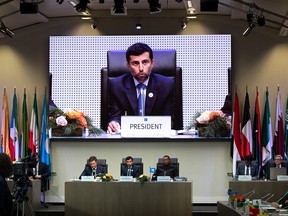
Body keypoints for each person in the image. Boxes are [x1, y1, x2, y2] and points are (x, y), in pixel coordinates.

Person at [107, 42, 175, 133]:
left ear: (152, 63)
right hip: (128, 141)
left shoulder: (166, 85)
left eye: (145, 62)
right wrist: (115, 124)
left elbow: (168, 119)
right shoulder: (116, 85)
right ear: (128, 66)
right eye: (135, 63)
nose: (141, 68)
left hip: (157, 138)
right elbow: (116, 116)